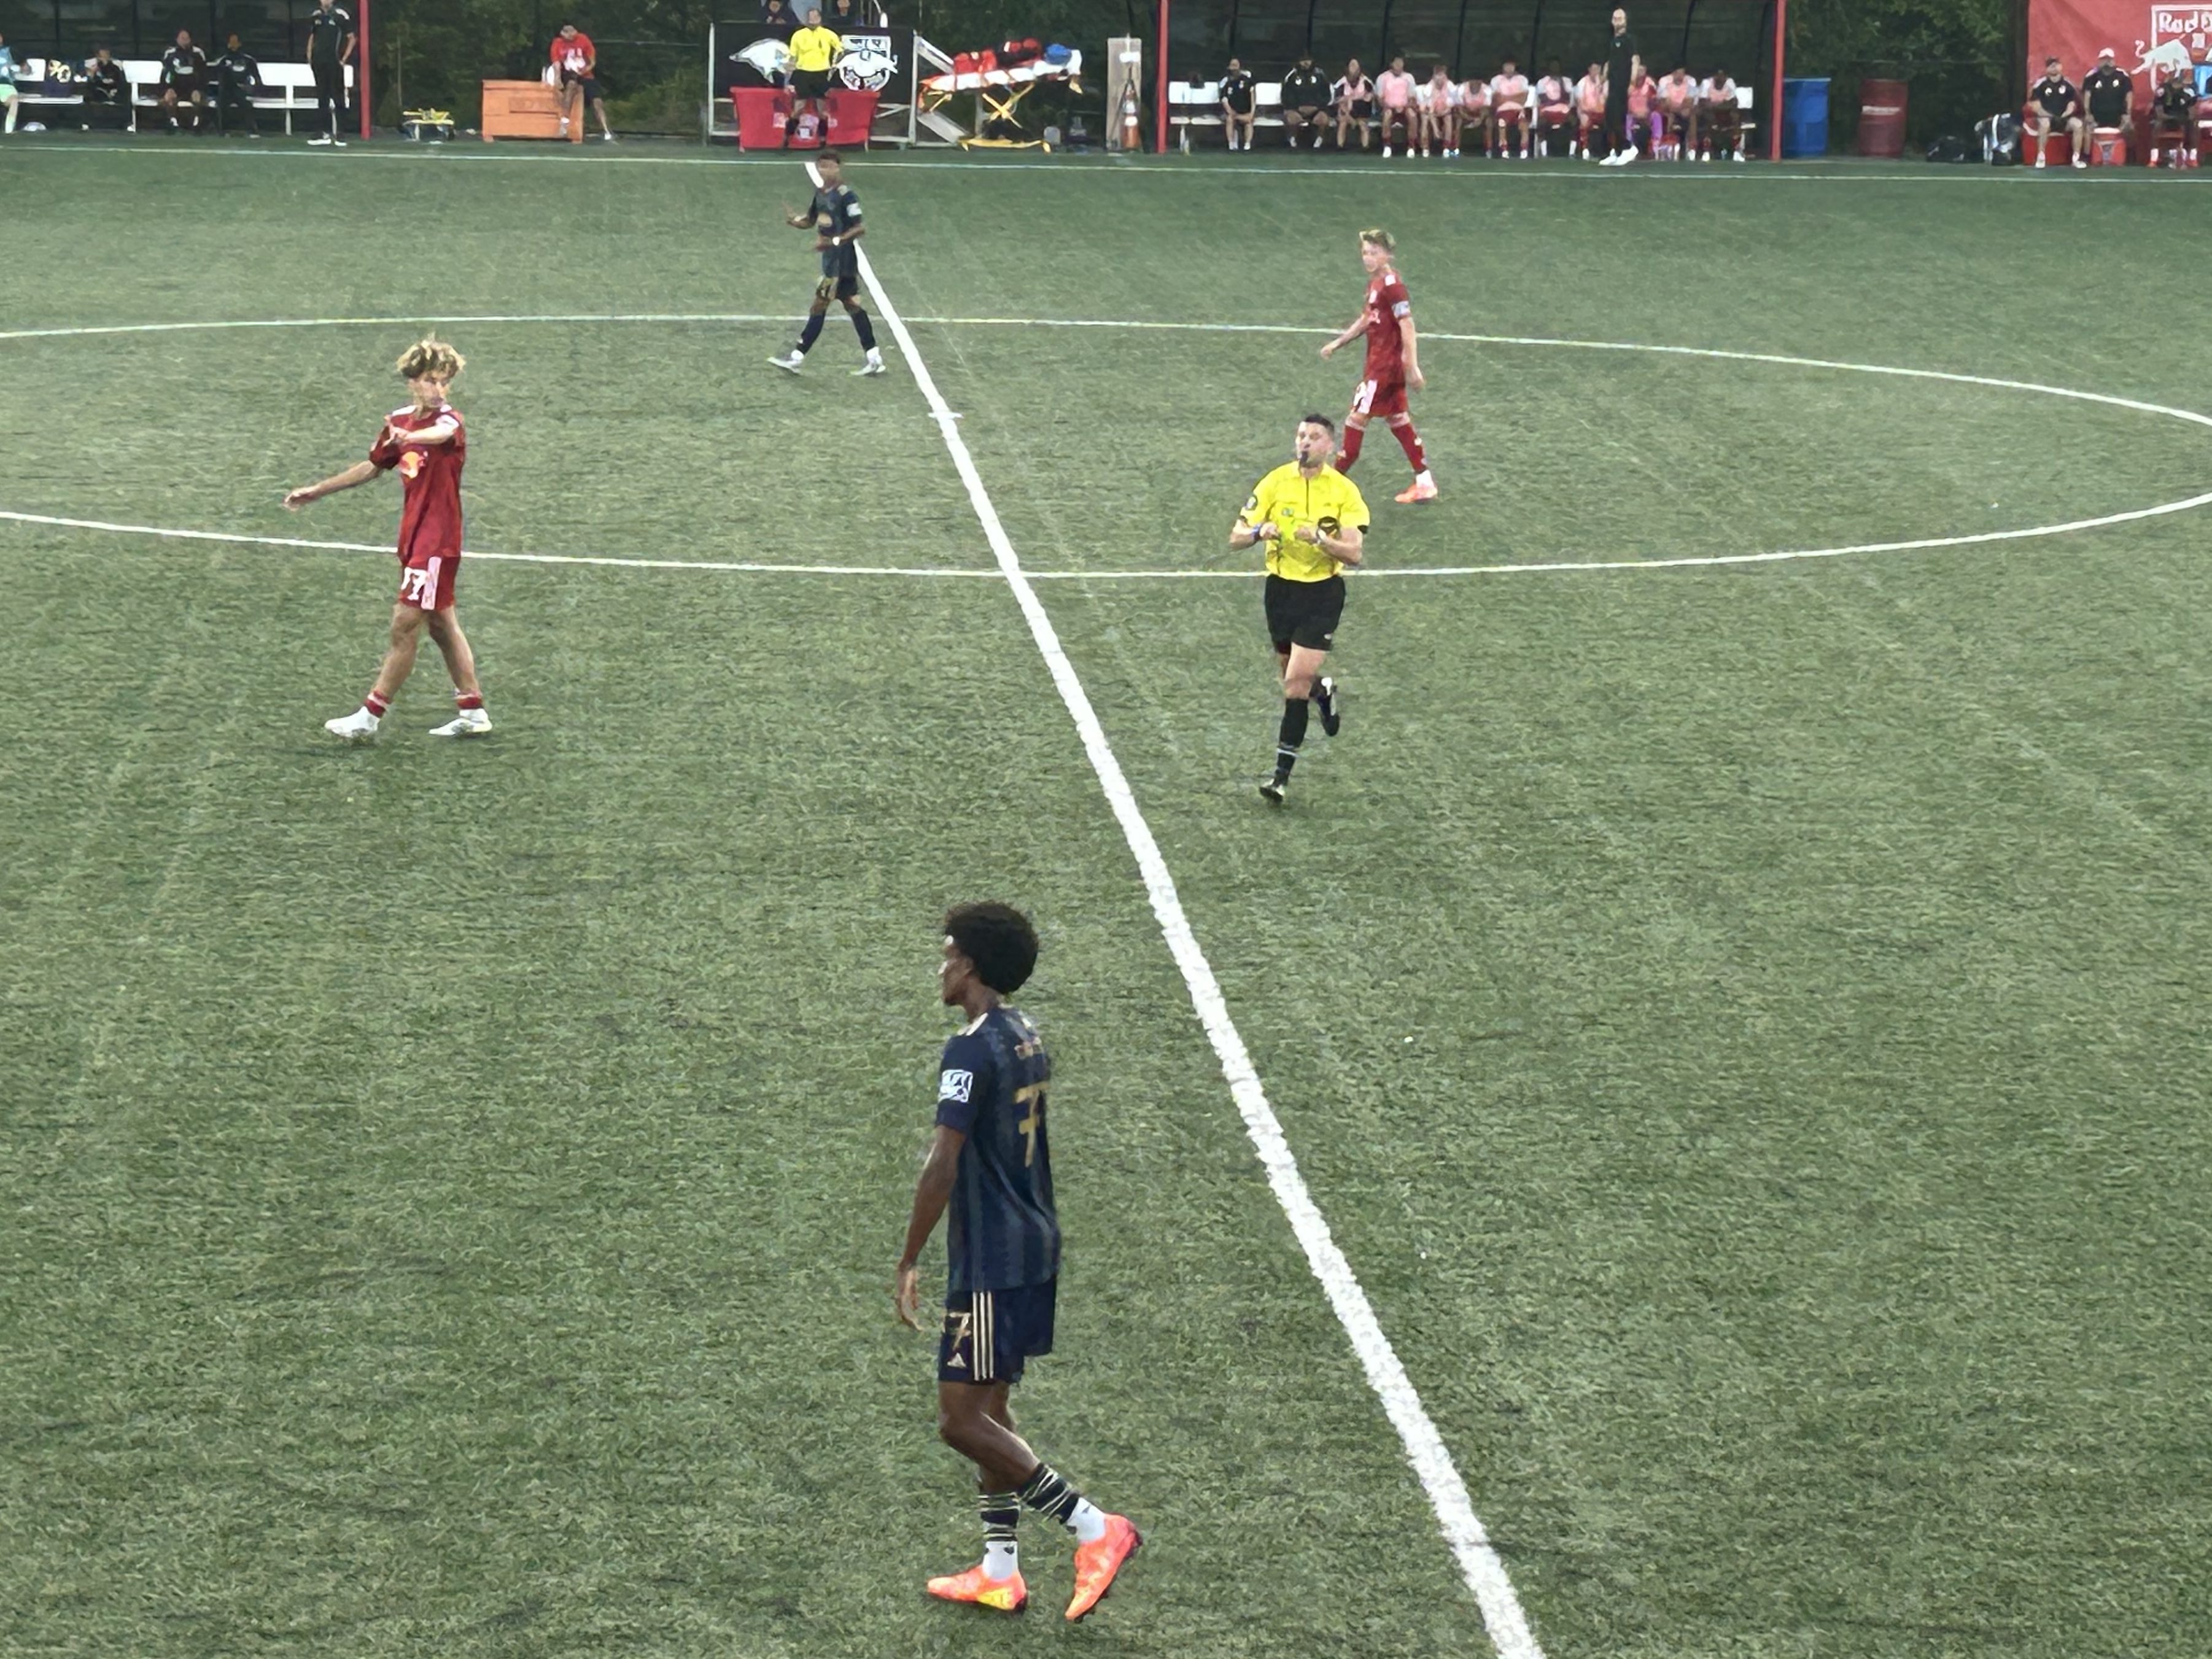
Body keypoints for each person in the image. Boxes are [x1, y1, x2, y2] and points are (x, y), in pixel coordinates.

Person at [898, 903, 1143, 1622]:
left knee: (958, 1419)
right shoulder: (1025, 1032)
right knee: (992, 1410)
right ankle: (1000, 1570)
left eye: (949, 953)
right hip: (1035, 1241)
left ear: (970, 964)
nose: (941, 965)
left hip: (992, 1258)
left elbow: (943, 1160)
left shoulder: (969, 1049)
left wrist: (910, 1257)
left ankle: (1094, 1528)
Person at [284, 338, 492, 742]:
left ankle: (370, 715)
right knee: (441, 623)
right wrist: (318, 490)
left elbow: (441, 434)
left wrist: (408, 438)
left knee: (404, 625)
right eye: (430, 380)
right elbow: (373, 466)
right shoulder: (400, 421)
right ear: (412, 381)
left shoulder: (448, 423)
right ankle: (472, 710)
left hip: (437, 543)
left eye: (444, 381)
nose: (439, 389)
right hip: (413, 538)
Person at [1230, 416, 1368, 806]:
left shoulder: (1345, 492)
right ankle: (1323, 691)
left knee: (1293, 685)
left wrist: (1322, 540)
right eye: (1301, 436)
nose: (1305, 442)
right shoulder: (1274, 482)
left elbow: (1355, 554)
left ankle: (1280, 778)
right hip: (1280, 591)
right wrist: (1258, 532)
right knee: (1293, 677)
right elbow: (1235, 536)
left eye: (1315, 437)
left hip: (1322, 594)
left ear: (1329, 446)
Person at [1321, 227, 1435, 505]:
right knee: (1398, 419)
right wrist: (1339, 343)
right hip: (1383, 367)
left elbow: (1407, 324)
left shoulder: (1393, 287)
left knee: (1356, 419)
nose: (1368, 258)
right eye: (1365, 252)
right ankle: (1425, 483)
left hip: (1383, 370)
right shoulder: (1376, 284)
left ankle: (1330, 482)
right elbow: (1367, 319)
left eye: (1374, 252)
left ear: (1388, 255)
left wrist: (1412, 365)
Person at [769, 152, 885, 376]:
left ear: (838, 168)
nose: (825, 171)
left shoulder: (846, 195)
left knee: (819, 305)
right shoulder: (821, 194)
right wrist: (795, 222)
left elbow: (859, 228)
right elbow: (811, 220)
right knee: (852, 305)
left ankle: (797, 357)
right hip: (832, 260)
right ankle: (874, 357)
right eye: (822, 167)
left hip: (841, 262)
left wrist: (834, 241)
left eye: (830, 166)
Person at [550, 23, 615, 142]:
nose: (571, 36)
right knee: (571, 86)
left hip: (585, 73)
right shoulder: (558, 43)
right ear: (563, 34)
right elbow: (557, 63)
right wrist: (557, 78)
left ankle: (606, 130)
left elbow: (592, 61)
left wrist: (585, 70)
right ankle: (564, 123)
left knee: (597, 101)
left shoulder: (583, 39)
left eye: (573, 32)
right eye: (568, 33)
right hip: (568, 73)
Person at [785, 7, 842, 142]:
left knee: (822, 110)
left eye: (815, 17)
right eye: (810, 17)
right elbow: (792, 57)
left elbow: (841, 51)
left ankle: (823, 139)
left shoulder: (829, 34)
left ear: (820, 18)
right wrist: (788, 78)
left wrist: (835, 67)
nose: (812, 20)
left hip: (821, 74)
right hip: (803, 73)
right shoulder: (798, 35)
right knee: (798, 108)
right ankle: (787, 137)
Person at [305, 0, 353, 146]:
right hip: (319, 62)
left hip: (334, 62)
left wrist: (343, 59)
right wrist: (310, 55)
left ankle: (340, 134)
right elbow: (312, 36)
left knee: (338, 97)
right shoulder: (316, 15)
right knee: (322, 97)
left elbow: (351, 38)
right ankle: (322, 133)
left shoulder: (340, 15)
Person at [1599, 7, 1642, 163]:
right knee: (1609, 118)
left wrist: (1632, 82)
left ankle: (1628, 147)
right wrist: (1603, 78)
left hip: (1623, 84)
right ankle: (1616, 151)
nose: (1617, 21)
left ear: (1626, 21)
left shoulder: (1629, 40)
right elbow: (1609, 62)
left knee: (1618, 118)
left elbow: (1635, 60)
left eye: (1620, 18)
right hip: (1612, 84)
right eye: (1615, 18)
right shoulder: (1612, 41)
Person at [2027, 55, 2086, 168]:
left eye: (2056, 65)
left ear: (2061, 67)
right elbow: (2036, 106)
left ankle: (2076, 158)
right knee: (2045, 124)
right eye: (2051, 65)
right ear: (2047, 69)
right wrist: (2050, 116)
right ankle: (2041, 157)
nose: (2054, 67)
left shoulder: (2068, 84)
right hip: (2047, 118)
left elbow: (2072, 103)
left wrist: (2066, 114)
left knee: (2078, 124)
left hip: (2064, 118)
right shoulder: (2041, 84)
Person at [2082, 47, 2135, 158]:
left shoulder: (2122, 76)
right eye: (2104, 59)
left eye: (2109, 59)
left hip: (2118, 115)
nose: (2107, 62)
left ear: (2114, 60)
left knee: (2131, 128)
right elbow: (2087, 97)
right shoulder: (2091, 76)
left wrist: (2128, 114)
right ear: (2099, 61)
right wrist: (2088, 114)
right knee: (2087, 128)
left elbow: (2129, 96)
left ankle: (2130, 157)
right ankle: (2087, 157)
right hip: (2097, 116)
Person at [213, 34, 262, 137]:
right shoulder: (223, 60)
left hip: (242, 90)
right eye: (231, 42)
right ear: (228, 44)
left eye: (235, 42)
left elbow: (257, 78)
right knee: (221, 104)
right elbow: (219, 77)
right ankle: (224, 131)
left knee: (246, 105)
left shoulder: (248, 60)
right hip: (227, 90)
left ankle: (252, 131)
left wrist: (252, 89)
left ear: (240, 44)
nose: (233, 45)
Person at [2151, 60, 2197, 165]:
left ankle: (2192, 157)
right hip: (2167, 118)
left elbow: (2192, 113)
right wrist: (2170, 118)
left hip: (2183, 118)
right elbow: (2159, 112)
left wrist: (2187, 119)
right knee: (2157, 124)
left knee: (2193, 125)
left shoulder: (2189, 91)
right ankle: (2154, 158)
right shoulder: (2162, 90)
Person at [1281, 51, 1330, 149]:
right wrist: (1296, 107)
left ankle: (1319, 140)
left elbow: (1327, 95)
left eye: (1308, 60)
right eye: (1303, 61)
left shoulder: (1320, 75)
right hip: (1297, 109)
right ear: (1299, 62)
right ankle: (1292, 139)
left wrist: (1317, 107)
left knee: (1323, 120)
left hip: (1316, 109)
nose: (1306, 63)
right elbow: (1286, 95)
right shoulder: (1292, 76)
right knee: (1291, 119)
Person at [1491, 55, 1532, 158]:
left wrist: (1506, 97)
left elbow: (1523, 99)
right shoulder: (1496, 80)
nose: (1509, 69)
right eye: (1507, 66)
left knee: (1524, 125)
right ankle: (1504, 150)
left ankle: (1524, 151)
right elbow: (1497, 99)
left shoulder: (1522, 80)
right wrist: (1516, 96)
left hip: (1518, 110)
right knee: (1502, 123)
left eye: (1511, 66)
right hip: (1503, 110)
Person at [82, 45, 129, 131]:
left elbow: (121, 83)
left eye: (105, 55)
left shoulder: (115, 68)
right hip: (100, 93)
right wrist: (92, 76)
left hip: (114, 92)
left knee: (126, 98)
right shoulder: (95, 69)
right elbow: (92, 84)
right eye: (101, 56)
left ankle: (127, 124)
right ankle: (87, 123)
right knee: (88, 96)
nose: (103, 58)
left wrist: (115, 90)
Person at [1655, 62, 1697, 157]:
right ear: (1673, 74)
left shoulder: (1690, 85)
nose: (1680, 76)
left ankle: (1692, 145)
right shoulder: (1666, 85)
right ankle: (1667, 143)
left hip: (1684, 111)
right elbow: (1666, 103)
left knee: (1691, 115)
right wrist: (1677, 109)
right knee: (1668, 115)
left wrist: (1679, 108)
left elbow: (1689, 102)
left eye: (1682, 73)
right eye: (1677, 73)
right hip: (1670, 111)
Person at [1376, 55, 1415, 155]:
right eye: (1396, 63)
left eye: (1401, 63)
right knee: (1387, 115)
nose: (1399, 66)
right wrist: (1388, 106)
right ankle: (1387, 146)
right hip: (1389, 108)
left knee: (1412, 115)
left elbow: (1412, 98)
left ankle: (1411, 146)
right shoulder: (1382, 78)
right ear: (1391, 64)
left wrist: (1405, 107)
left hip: (1405, 108)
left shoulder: (1409, 77)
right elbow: (1380, 99)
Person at [1417, 63, 1458, 157]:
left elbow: (1451, 106)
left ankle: (1446, 147)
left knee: (1448, 119)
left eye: (1442, 75)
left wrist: (1444, 112)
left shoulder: (1450, 86)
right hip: (1430, 112)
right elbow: (1429, 111)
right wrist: (1436, 130)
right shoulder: (1428, 89)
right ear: (1434, 77)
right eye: (1438, 75)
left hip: (1445, 111)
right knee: (1425, 120)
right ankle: (1425, 148)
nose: (1440, 79)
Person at [1534, 59, 1575, 156]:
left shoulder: (1567, 81)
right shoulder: (1542, 82)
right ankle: (1544, 152)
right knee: (1541, 121)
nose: (1555, 68)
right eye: (1553, 66)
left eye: (1557, 66)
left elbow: (1570, 99)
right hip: (1548, 110)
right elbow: (1541, 99)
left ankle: (1572, 151)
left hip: (1563, 110)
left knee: (1574, 121)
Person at [1701, 68, 1742, 160]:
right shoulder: (1707, 83)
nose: (1721, 78)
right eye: (1718, 76)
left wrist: (1716, 105)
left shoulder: (1730, 82)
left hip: (1725, 113)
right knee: (1708, 118)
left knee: (1736, 117)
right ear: (1714, 77)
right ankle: (1706, 150)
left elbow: (1734, 102)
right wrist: (1722, 104)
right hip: (1710, 113)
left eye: (1723, 76)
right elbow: (1704, 103)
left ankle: (1737, 150)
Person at [1333, 58, 1374, 150]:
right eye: (1352, 65)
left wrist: (1363, 98)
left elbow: (1369, 97)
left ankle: (1365, 147)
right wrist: (1348, 103)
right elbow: (1338, 100)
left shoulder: (1366, 81)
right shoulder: (1342, 82)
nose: (1354, 68)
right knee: (1343, 123)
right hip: (1345, 110)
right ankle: (1340, 146)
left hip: (1362, 110)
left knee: (1363, 125)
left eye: (1356, 66)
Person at [1218, 56, 1256, 151]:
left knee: (1249, 121)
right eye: (1232, 66)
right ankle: (1231, 145)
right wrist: (1230, 112)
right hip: (1230, 113)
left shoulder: (1248, 81)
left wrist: (1252, 113)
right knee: (1230, 119)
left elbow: (1253, 99)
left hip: (1245, 112)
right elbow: (1224, 99)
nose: (1234, 69)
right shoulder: (1226, 81)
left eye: (1236, 66)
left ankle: (1247, 145)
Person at [1457, 65, 1491, 155]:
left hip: (1480, 114)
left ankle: (1489, 149)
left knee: (1489, 123)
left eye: (1478, 81)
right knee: (1458, 122)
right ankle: (1456, 148)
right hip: (1466, 113)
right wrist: (1471, 119)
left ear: (1481, 82)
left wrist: (1480, 119)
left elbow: (1486, 109)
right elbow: (1460, 108)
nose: (1475, 83)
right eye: (1473, 81)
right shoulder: (1462, 88)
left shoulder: (1487, 90)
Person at [1575, 61, 1607, 156]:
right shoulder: (1582, 82)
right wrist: (1586, 111)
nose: (1596, 72)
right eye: (1594, 69)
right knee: (1584, 120)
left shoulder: (1604, 83)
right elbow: (1579, 101)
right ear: (1589, 70)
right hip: (1587, 112)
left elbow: (1606, 99)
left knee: (1612, 121)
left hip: (1602, 113)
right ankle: (1585, 148)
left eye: (1598, 69)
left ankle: (1611, 148)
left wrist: (1599, 86)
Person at [0, 34, 18, 136]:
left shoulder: (9, 51)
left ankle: (9, 129)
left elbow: (26, 68)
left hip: (6, 85)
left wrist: (15, 67)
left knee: (14, 100)